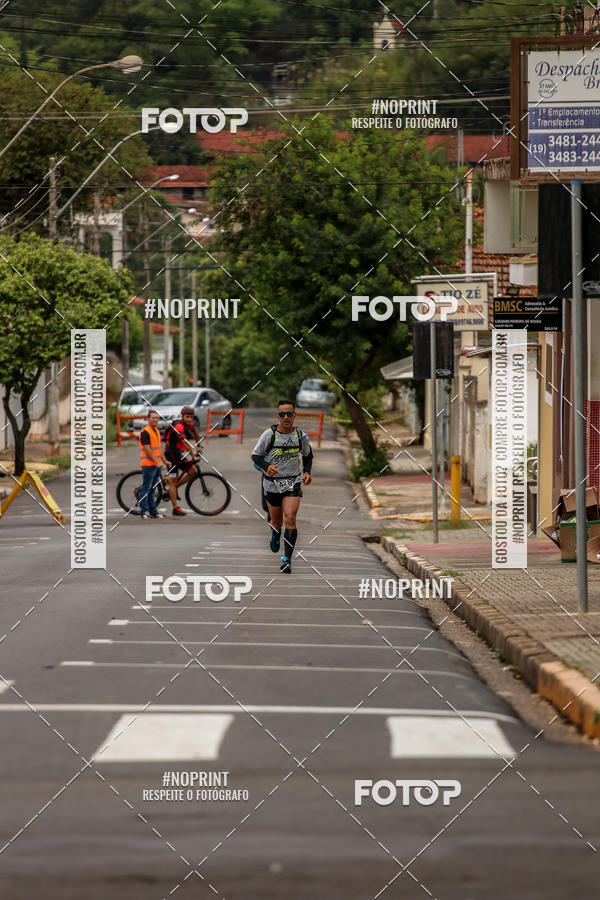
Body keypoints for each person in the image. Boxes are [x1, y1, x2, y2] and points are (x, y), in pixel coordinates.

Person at [251, 400, 313, 574]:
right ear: (278, 416)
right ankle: (275, 534)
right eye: (282, 414)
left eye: (289, 414)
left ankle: (287, 560)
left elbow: (308, 456)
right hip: (272, 484)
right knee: (276, 522)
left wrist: (306, 472)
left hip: (292, 482)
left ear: (294, 415)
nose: (285, 417)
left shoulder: (301, 436)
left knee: (290, 517)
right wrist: (266, 466)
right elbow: (255, 456)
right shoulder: (269, 435)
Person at [164, 405, 202, 517]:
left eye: (191, 417)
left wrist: (199, 445)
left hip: (178, 453)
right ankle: (175, 508)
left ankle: (174, 487)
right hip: (171, 454)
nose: (189, 419)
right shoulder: (179, 426)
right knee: (172, 480)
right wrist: (193, 456)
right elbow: (185, 443)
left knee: (192, 472)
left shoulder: (188, 424)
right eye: (187, 417)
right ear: (182, 416)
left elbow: (195, 431)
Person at [138, 410, 165, 519]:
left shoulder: (156, 431)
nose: (155, 419)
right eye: (153, 417)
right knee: (146, 487)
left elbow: (158, 449)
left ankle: (153, 510)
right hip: (149, 465)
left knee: (153, 489)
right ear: (148, 419)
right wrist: (156, 462)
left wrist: (164, 459)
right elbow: (147, 449)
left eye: (156, 418)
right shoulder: (145, 432)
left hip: (156, 464)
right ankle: (144, 511)